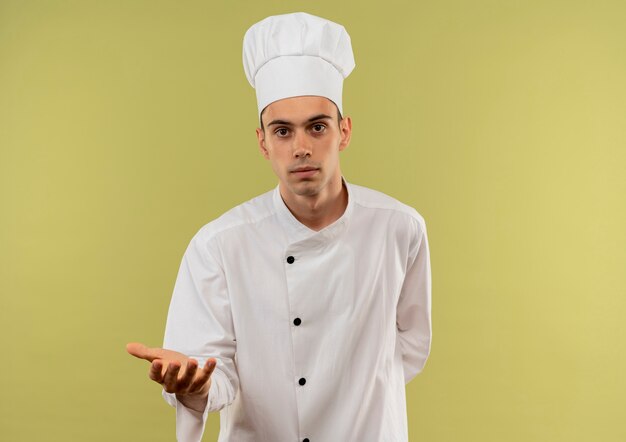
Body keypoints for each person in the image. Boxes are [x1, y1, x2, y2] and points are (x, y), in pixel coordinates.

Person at [127, 12, 432, 442]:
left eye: (317, 127)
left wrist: (360, 397)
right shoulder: (218, 246)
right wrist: (196, 383)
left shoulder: (400, 229)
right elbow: (211, 373)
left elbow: (410, 348)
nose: (302, 148)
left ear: (343, 132)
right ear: (262, 142)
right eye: (283, 131)